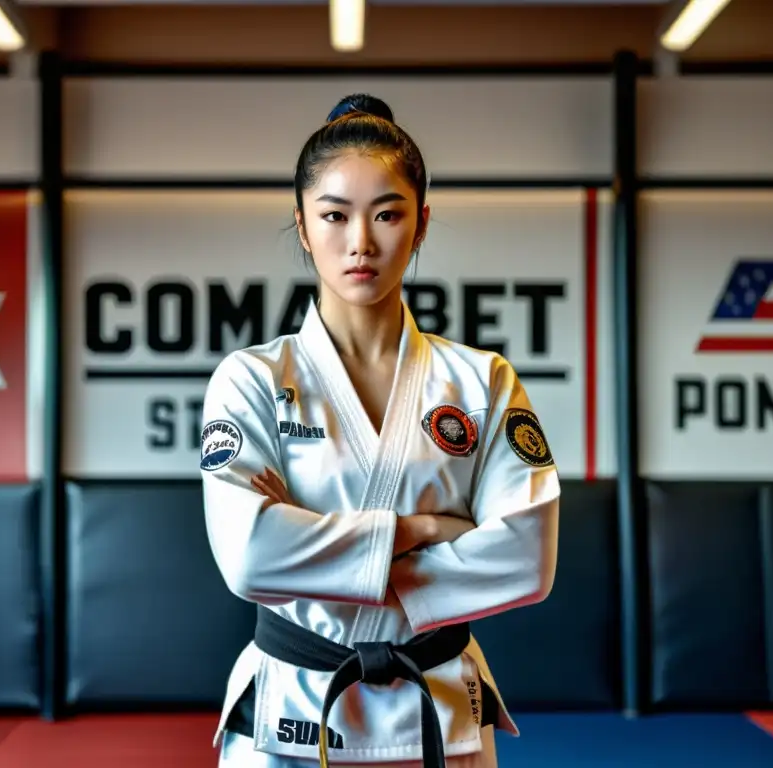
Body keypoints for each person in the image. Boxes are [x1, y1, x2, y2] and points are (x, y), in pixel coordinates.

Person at [199, 94, 560, 768]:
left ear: (421, 224)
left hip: (437, 712)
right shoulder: (250, 379)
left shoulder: (481, 381)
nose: (361, 241)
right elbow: (248, 556)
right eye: (334, 215)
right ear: (302, 226)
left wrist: (313, 544)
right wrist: (418, 531)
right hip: (292, 716)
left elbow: (528, 557)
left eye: (387, 214)